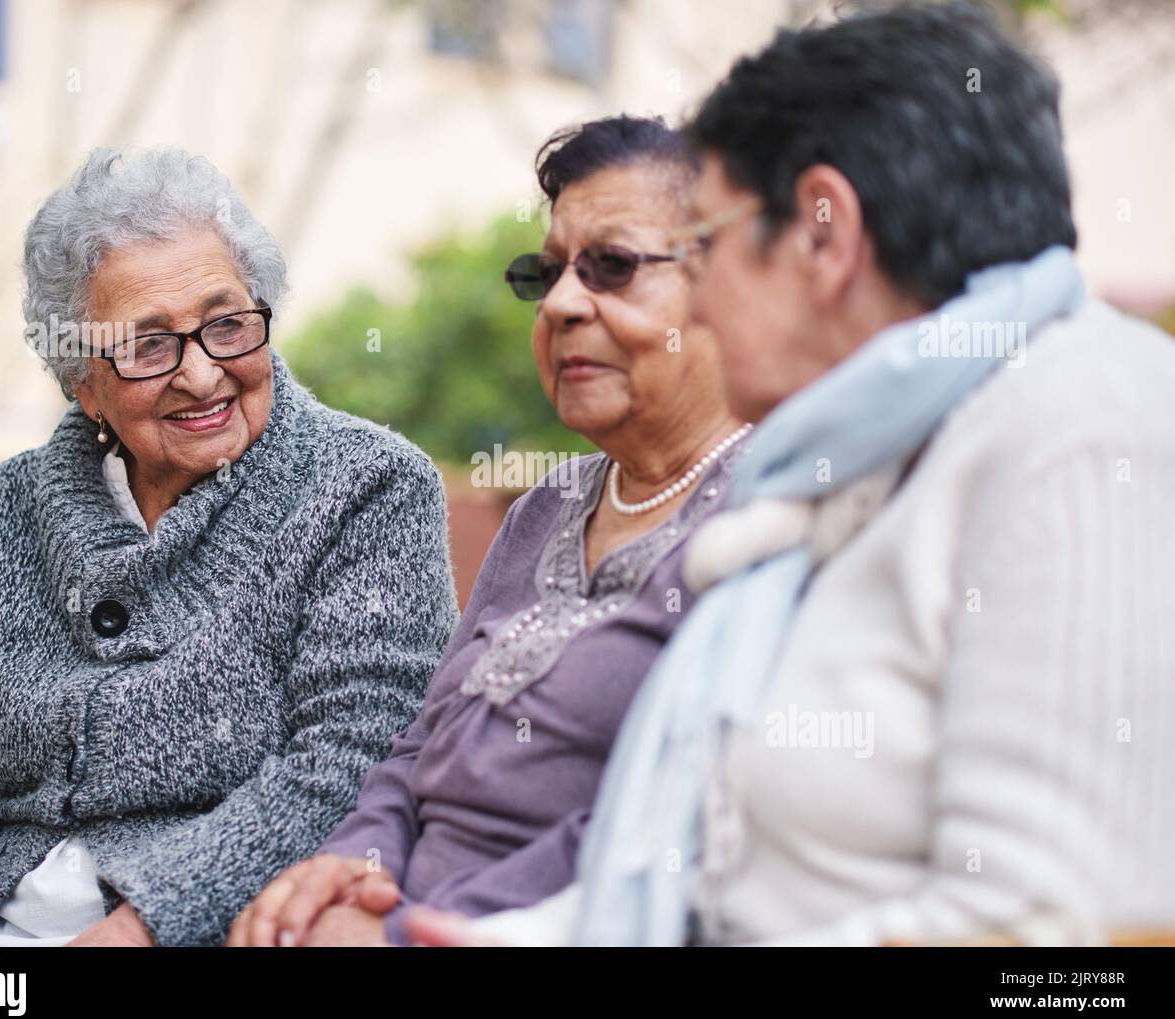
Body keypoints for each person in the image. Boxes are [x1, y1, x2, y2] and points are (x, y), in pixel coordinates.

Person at [409, 1, 1175, 948]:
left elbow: (1074, 955)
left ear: (823, 234)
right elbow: (720, 870)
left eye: (708, 247)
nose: (702, 294)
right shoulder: (853, 465)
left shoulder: (1082, 427)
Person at [0, 147, 459, 947]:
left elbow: (351, 759)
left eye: (226, 325)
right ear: (84, 383)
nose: (201, 374)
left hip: (216, 928)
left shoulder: (369, 487)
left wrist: (143, 926)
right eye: (148, 346)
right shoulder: (0, 514)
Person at [227, 116, 752, 947]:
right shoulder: (551, 504)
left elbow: (677, 818)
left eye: (612, 267)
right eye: (547, 274)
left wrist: (407, 928)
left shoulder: (766, 524)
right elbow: (418, 747)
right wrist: (352, 872)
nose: (565, 303)